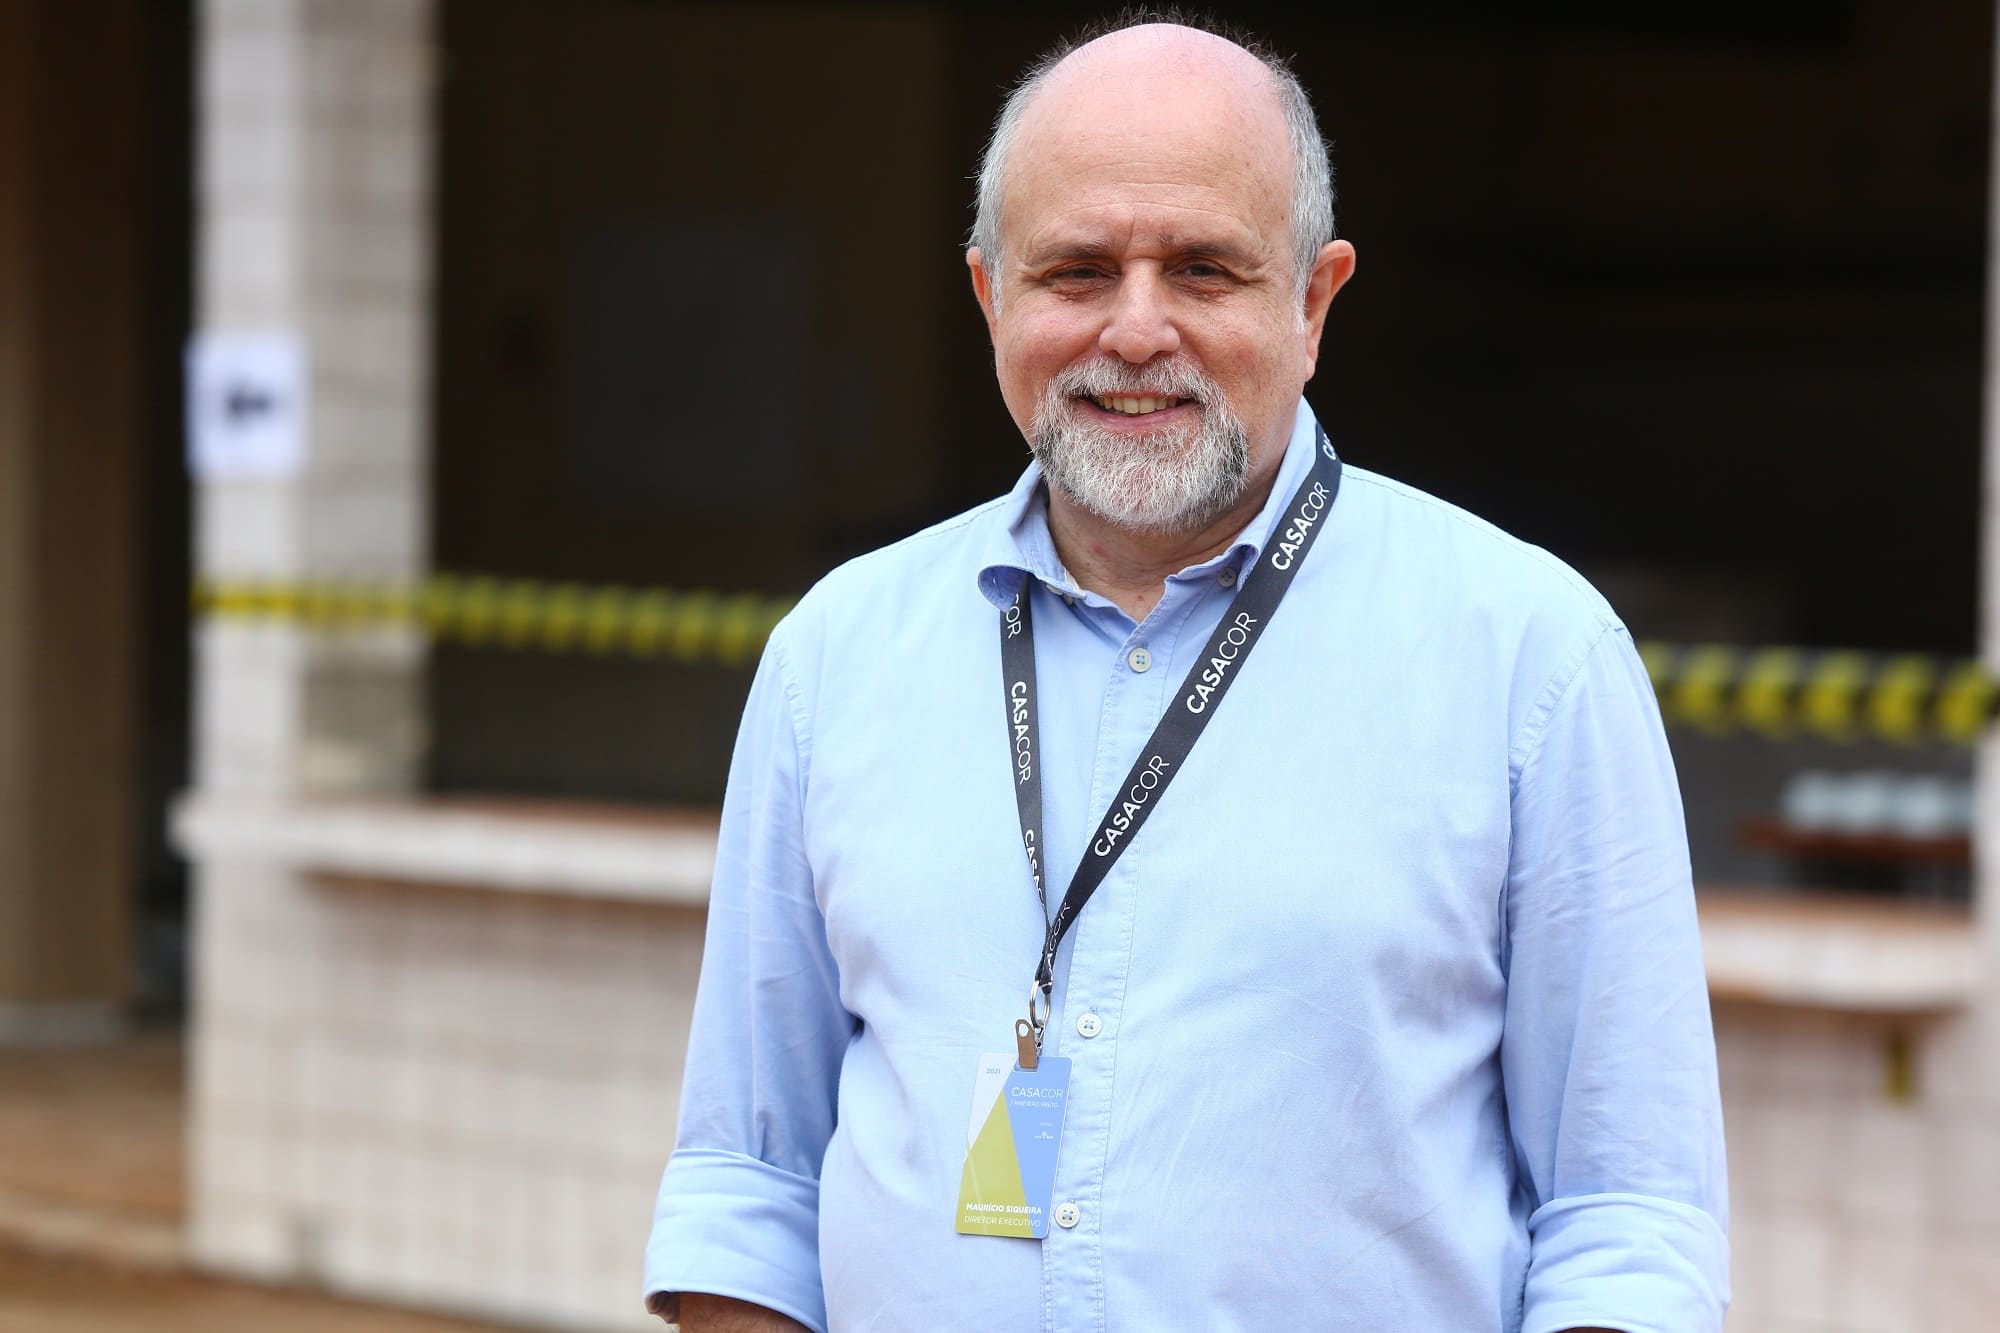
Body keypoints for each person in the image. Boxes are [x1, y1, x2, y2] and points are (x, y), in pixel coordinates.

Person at [644, 15, 1728, 1333]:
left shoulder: (1531, 660)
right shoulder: (836, 653)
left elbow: (1625, 1217)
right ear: (991, 298)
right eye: (1078, 271)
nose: (1137, 328)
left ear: (1313, 302)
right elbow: (747, 1187)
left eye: (1205, 270)